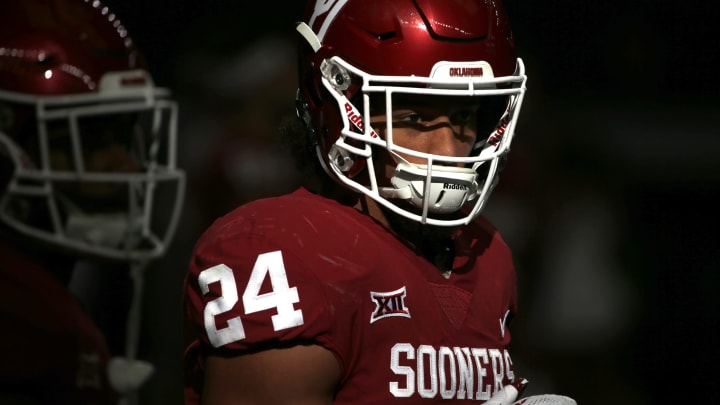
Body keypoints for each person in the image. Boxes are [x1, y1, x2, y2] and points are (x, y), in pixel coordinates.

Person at [183, 0, 574, 404]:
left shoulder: (486, 251)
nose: (448, 149)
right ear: (337, 104)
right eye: (416, 117)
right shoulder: (276, 250)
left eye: (462, 115)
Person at [0, 0, 185, 403]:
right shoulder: (25, 317)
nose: (128, 167)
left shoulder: (47, 302)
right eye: (90, 140)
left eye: (121, 136)